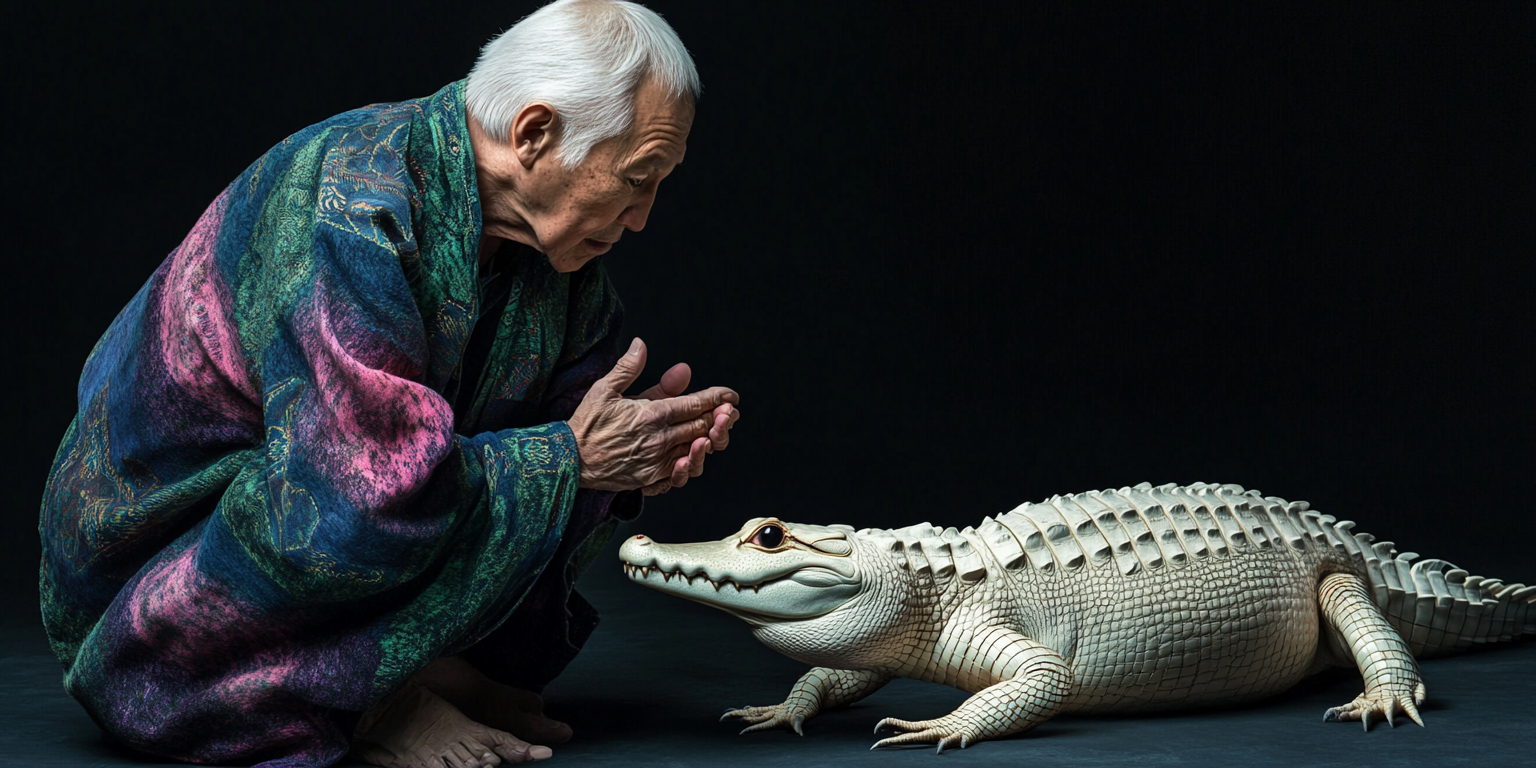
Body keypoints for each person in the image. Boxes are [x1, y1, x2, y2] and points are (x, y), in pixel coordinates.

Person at [36, 2, 737, 767]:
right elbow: (352, 487)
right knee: (537, 469)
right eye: (638, 179)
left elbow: (583, 410)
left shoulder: (547, 248)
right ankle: (364, 699)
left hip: (324, 506)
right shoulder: (353, 202)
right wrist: (572, 458)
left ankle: (398, 665)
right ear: (535, 134)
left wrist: (644, 440)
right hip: (150, 581)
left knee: (569, 471)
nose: (642, 217)